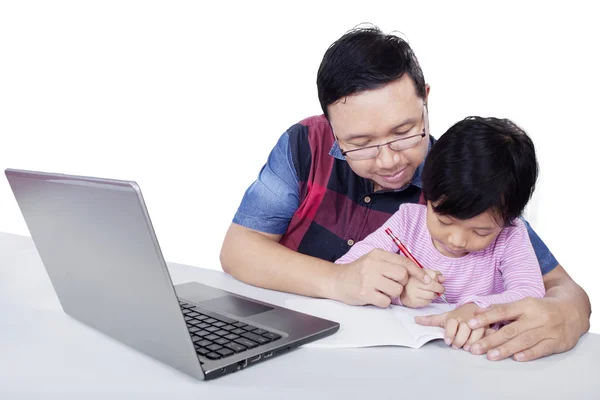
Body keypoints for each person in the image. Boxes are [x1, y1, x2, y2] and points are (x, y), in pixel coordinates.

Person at [219, 24, 591, 362]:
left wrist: (567, 314)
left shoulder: (456, 179)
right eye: (360, 143)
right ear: (331, 127)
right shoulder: (305, 144)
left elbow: (558, 286)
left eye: (403, 132)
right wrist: (340, 281)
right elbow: (239, 249)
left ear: (425, 99)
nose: (387, 160)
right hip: (288, 345)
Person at [335, 115, 546, 351]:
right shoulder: (407, 222)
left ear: (509, 219)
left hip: (474, 360)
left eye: (480, 231)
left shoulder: (511, 236)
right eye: (444, 221)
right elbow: (347, 269)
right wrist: (400, 293)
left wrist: (477, 308)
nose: (456, 240)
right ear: (427, 195)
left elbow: (532, 295)